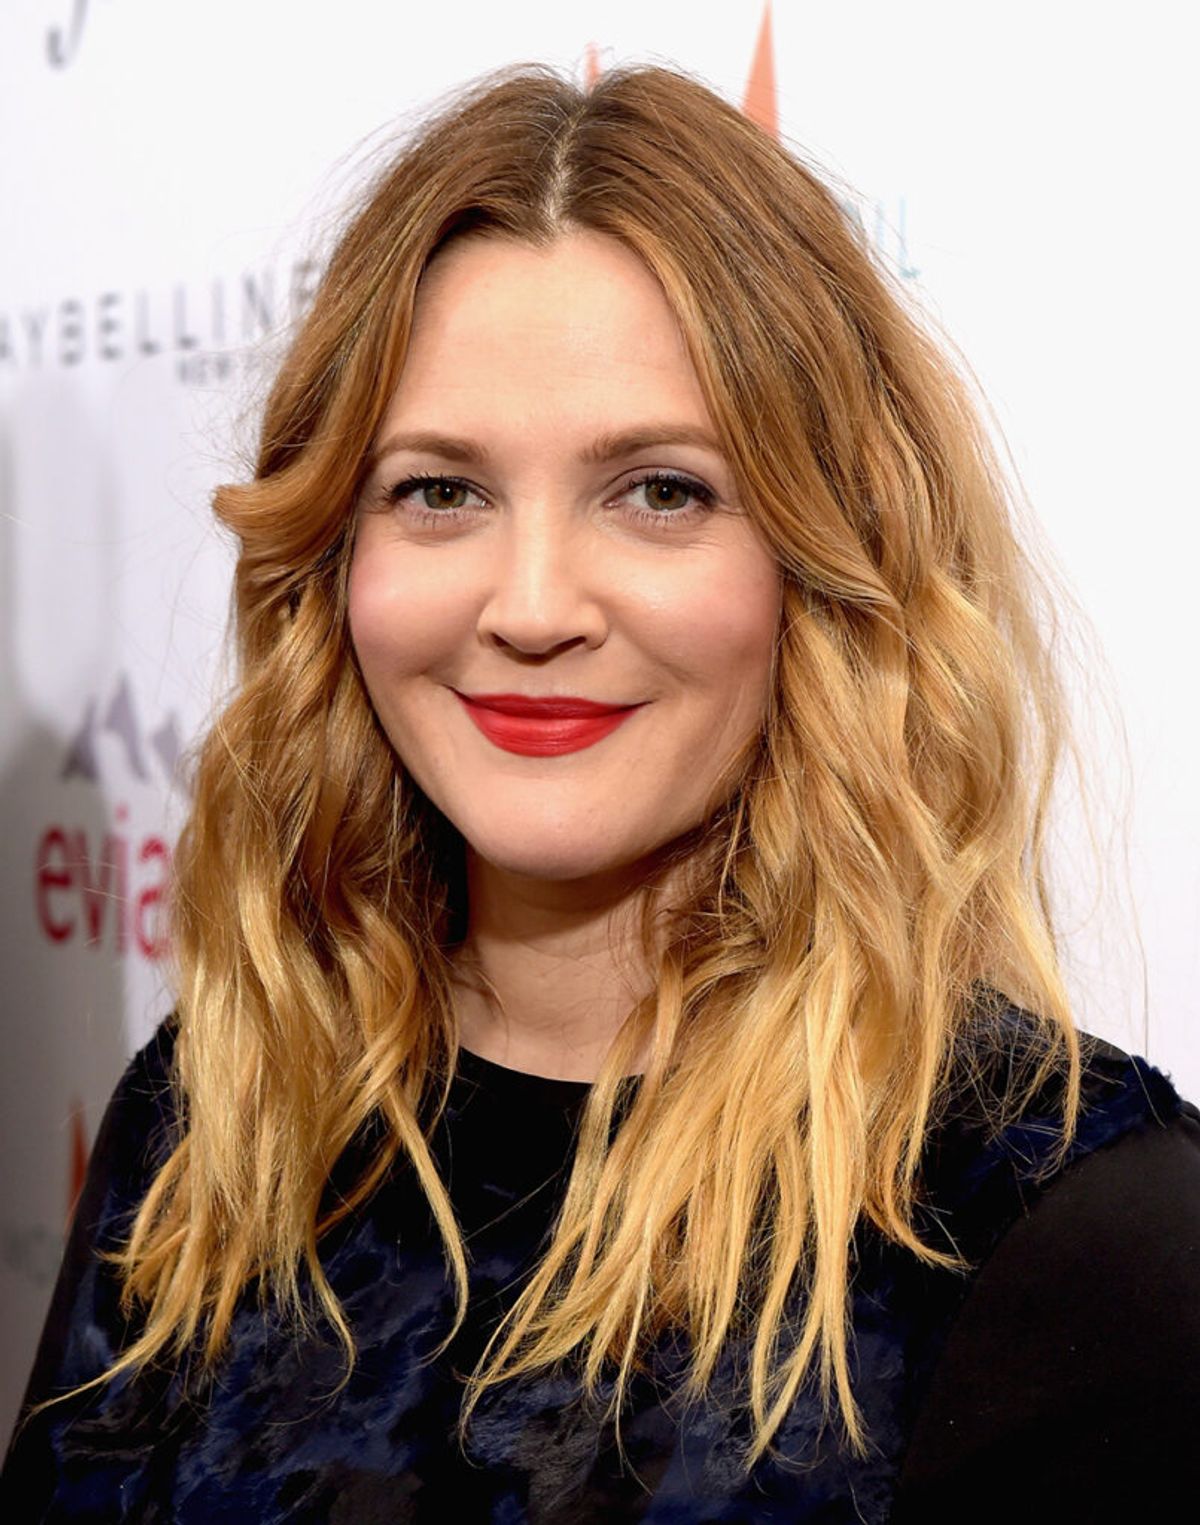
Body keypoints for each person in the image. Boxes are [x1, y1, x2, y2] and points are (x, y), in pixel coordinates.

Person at [3, 61, 1199, 1524]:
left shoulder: (1066, 1233)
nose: (532, 602)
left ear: (826, 561)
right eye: (440, 489)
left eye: (660, 490)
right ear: (335, 558)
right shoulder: (221, 1122)